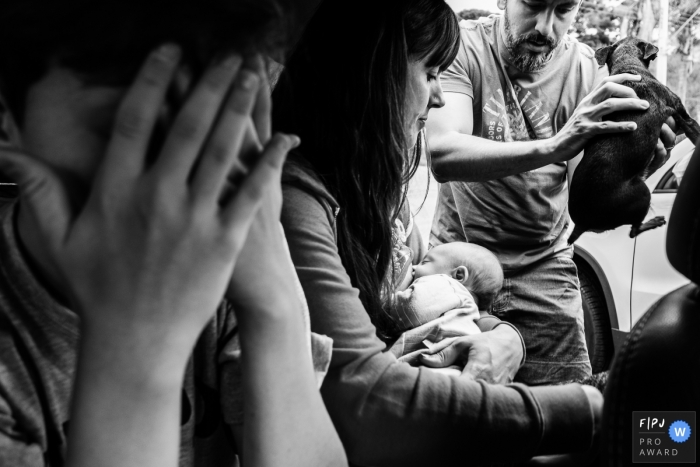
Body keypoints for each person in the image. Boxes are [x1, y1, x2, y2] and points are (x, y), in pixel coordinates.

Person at [0, 1, 347, 466]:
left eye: (202, 129)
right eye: (122, 128)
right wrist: (136, 348)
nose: (169, 184)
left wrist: (274, 301)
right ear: (6, 118)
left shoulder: (217, 265)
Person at [272, 0, 603, 465]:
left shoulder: (380, 197)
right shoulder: (296, 199)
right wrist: (593, 410)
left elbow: (414, 291)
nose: (439, 96)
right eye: (430, 72)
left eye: (564, 9)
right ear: (373, 70)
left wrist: (503, 336)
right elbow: (368, 401)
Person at [426, 0, 679, 385]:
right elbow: (443, 152)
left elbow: (586, 197)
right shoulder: (465, 48)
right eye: (534, 4)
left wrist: (633, 168)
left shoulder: (587, 71)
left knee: (570, 418)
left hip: (546, 270)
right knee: (456, 422)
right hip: (460, 265)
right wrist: (555, 146)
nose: (546, 26)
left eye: (564, 9)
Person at [387, 242, 505, 367]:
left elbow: (411, 308)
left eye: (425, 262)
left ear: (458, 275)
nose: (414, 267)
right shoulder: (467, 309)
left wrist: (380, 304)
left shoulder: (448, 286)